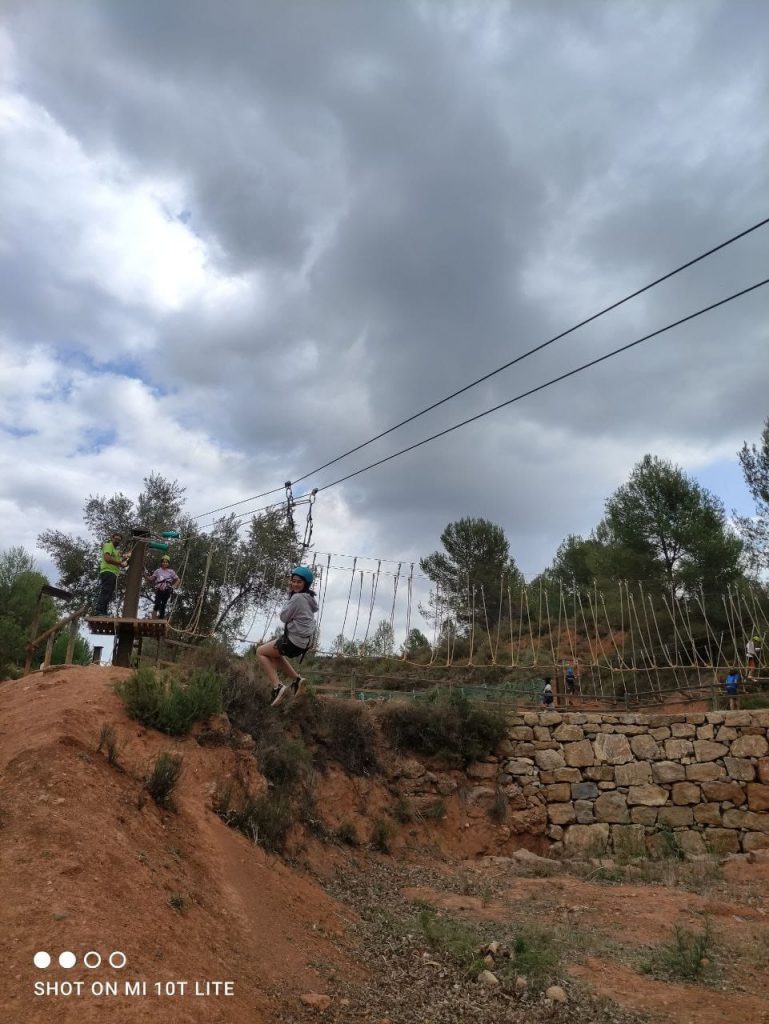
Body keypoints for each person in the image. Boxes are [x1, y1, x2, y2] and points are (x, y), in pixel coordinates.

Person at [257, 566, 318, 707]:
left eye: (299, 582)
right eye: (293, 581)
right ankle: (297, 680)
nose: (295, 584)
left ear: (306, 584)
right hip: (302, 643)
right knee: (275, 655)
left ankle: (277, 687)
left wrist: (290, 601)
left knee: (260, 652)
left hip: (292, 641)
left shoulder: (297, 598)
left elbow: (284, 617)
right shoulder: (309, 598)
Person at [93, 531, 123, 615]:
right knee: (106, 591)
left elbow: (120, 562)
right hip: (107, 572)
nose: (117, 541)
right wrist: (120, 563)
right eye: (116, 539)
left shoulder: (116, 551)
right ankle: (99, 611)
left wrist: (125, 559)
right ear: (112, 538)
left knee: (108, 593)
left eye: (119, 540)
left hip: (113, 573)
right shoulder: (108, 545)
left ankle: (103, 612)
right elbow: (107, 558)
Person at [145, 554, 180, 619]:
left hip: (167, 589)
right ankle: (153, 618)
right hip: (159, 589)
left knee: (163, 604)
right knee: (157, 603)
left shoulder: (171, 571)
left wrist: (173, 586)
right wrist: (145, 574)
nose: (165, 563)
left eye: (166, 562)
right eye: (163, 562)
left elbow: (178, 579)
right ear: (161, 563)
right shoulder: (158, 571)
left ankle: (161, 618)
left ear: (168, 564)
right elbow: (151, 578)